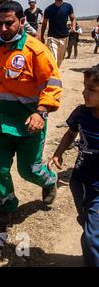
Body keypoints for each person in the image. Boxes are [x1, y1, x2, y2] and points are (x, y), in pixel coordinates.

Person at [0, 1, 62, 214]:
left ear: (22, 21)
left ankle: (49, 180)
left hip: (29, 123)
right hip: (0, 121)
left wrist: (41, 112)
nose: (3, 29)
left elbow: (52, 85)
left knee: (29, 171)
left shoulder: (36, 51)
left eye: (9, 23)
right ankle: (8, 203)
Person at [49, 65, 99, 267]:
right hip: (79, 181)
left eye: (92, 90)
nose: (84, 92)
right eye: (84, 87)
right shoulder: (81, 113)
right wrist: (58, 153)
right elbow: (71, 133)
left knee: (92, 234)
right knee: (87, 223)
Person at [41, 0, 77, 68]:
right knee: (53, 59)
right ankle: (53, 78)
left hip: (64, 37)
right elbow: (44, 24)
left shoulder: (68, 6)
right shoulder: (48, 9)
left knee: (59, 61)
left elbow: (73, 18)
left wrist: (73, 28)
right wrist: (42, 35)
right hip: (52, 38)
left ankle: (54, 75)